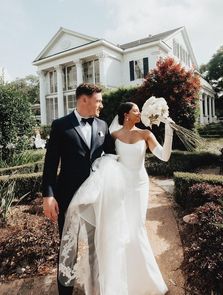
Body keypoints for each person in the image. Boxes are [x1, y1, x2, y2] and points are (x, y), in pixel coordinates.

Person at [59, 102, 173, 294]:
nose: (140, 113)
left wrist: (169, 129)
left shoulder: (146, 134)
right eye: (136, 110)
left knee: (136, 228)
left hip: (139, 186)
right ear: (126, 115)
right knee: (120, 231)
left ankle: (146, 281)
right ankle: (121, 281)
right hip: (119, 188)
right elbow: (103, 159)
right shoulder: (113, 136)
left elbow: (165, 156)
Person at [42, 83, 115, 295]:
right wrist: (48, 195)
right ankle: (66, 292)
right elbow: (50, 164)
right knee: (68, 247)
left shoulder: (102, 126)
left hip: (95, 197)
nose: (101, 104)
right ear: (84, 99)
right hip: (68, 197)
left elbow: (111, 158)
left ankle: (95, 288)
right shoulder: (60, 125)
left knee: (95, 245)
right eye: (98, 100)